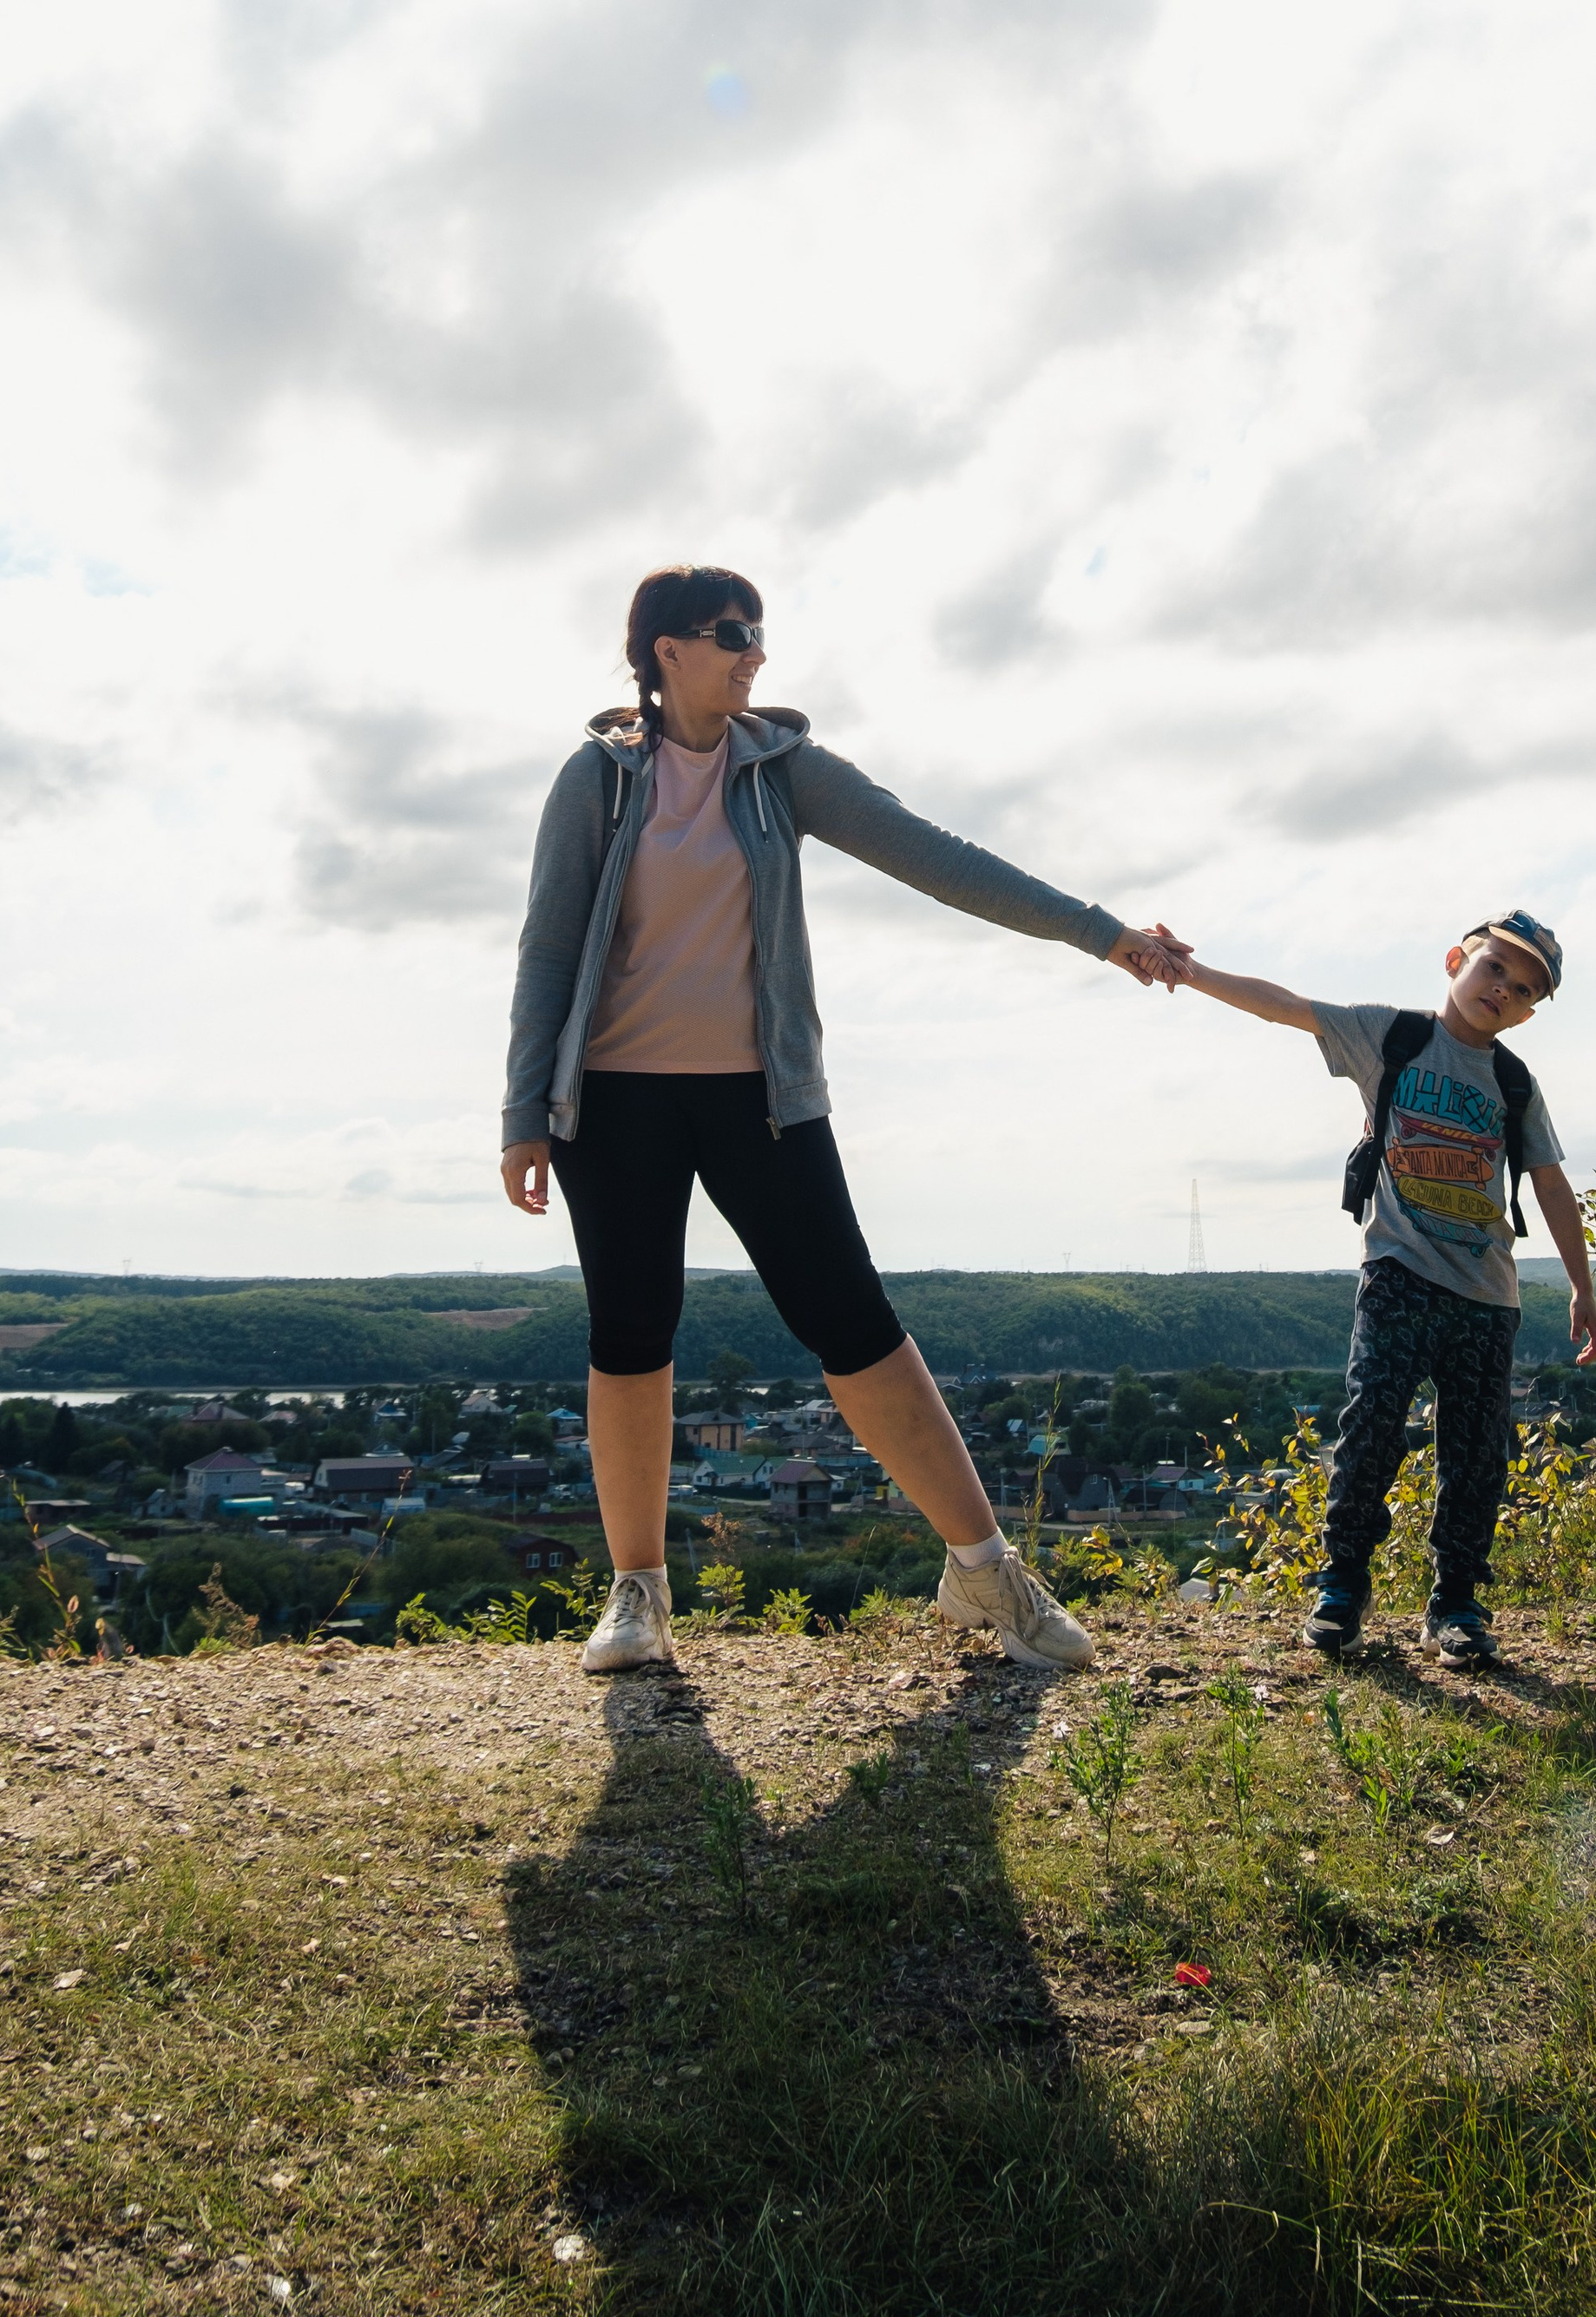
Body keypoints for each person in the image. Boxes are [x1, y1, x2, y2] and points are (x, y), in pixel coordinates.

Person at [500, 561, 1181, 1677]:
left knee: (854, 1323)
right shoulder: (598, 780)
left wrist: (1102, 934)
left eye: (759, 632)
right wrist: (524, 1110)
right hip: (612, 1100)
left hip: (761, 1097)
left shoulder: (786, 772)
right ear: (665, 649)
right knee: (630, 1337)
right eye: (730, 633)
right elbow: (549, 944)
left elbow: (940, 860)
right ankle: (637, 1596)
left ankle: (982, 1570)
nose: (753, 651)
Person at [1153, 909, 1596, 1663]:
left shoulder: (1515, 1082)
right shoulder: (1390, 1037)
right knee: (1370, 1430)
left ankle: (1456, 1605)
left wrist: (1582, 1290)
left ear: (1531, 1012)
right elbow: (1287, 1005)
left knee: (1475, 1455)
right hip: (1398, 1272)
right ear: (1458, 959)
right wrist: (1192, 972)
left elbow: (1553, 1187)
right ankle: (1341, 1588)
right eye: (1496, 967)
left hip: (1488, 1297)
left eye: (1524, 990)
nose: (1504, 990)